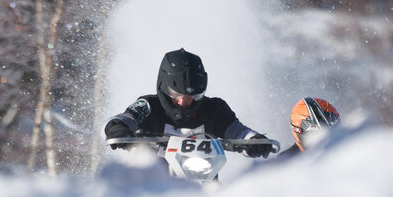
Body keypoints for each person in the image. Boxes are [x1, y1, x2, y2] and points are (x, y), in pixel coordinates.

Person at [104, 48, 275, 158]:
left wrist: (255, 141)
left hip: (202, 177)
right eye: (176, 94)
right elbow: (125, 118)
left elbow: (238, 131)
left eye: (193, 96)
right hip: (151, 182)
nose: (183, 102)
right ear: (163, 88)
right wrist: (118, 129)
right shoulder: (147, 105)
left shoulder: (215, 109)